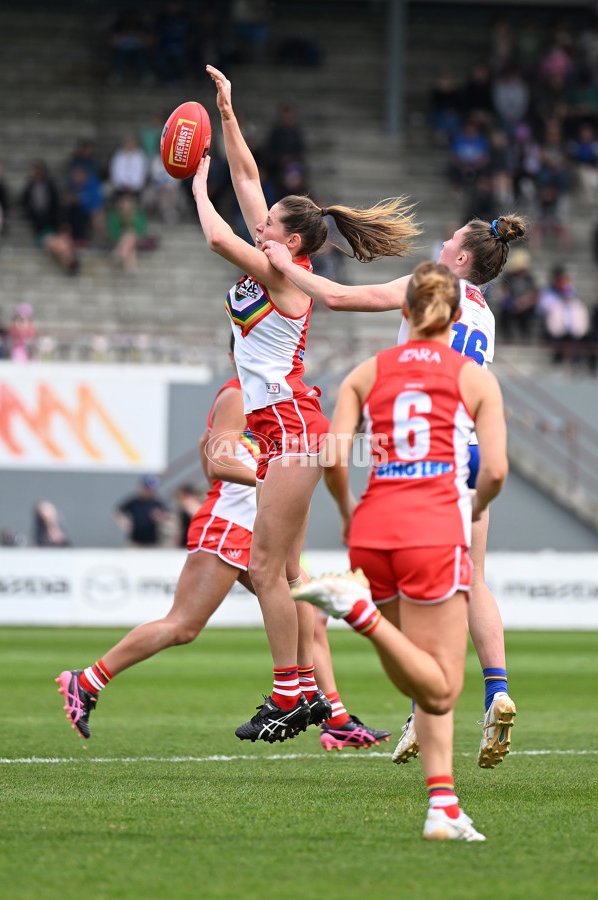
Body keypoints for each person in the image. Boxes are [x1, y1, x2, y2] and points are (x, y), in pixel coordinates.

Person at [192, 64, 419, 744]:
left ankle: (293, 697)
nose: (257, 221)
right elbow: (250, 179)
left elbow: (216, 235)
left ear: (290, 242)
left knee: (266, 567)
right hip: (283, 426)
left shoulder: (284, 272)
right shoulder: (278, 254)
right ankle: (310, 700)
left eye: (268, 224)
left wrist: (193, 184)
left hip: (293, 426)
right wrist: (227, 113)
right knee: (283, 570)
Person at [264, 213, 524, 767]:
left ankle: (422, 711)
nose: (441, 243)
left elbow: (335, 297)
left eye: (449, 240)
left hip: (415, 459)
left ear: (459, 261)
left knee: (409, 592)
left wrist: (284, 263)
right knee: (472, 580)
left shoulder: (429, 291)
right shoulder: (486, 315)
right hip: (469, 450)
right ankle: (496, 689)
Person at [56, 342, 388, 748]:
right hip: (228, 524)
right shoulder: (237, 393)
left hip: (260, 526)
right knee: (183, 626)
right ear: (240, 355)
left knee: (306, 607)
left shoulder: (283, 400)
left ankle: (332, 715)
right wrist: (273, 481)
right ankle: (86, 681)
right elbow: (216, 462)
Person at [293, 260, 509, 841]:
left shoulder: (368, 371)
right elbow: (495, 471)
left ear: (406, 310)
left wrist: (344, 513)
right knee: (441, 686)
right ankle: (356, 611)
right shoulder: (474, 376)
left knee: (417, 681)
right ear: (454, 314)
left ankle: (444, 805)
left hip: (373, 523)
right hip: (434, 524)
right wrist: (477, 503)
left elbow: (334, 456)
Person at [113, 474, 171, 547]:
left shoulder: (157, 503)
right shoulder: (134, 502)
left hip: (152, 544)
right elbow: (117, 511)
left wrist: (161, 517)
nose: (149, 491)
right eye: (147, 488)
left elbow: (170, 516)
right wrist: (123, 521)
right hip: (135, 543)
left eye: (151, 489)